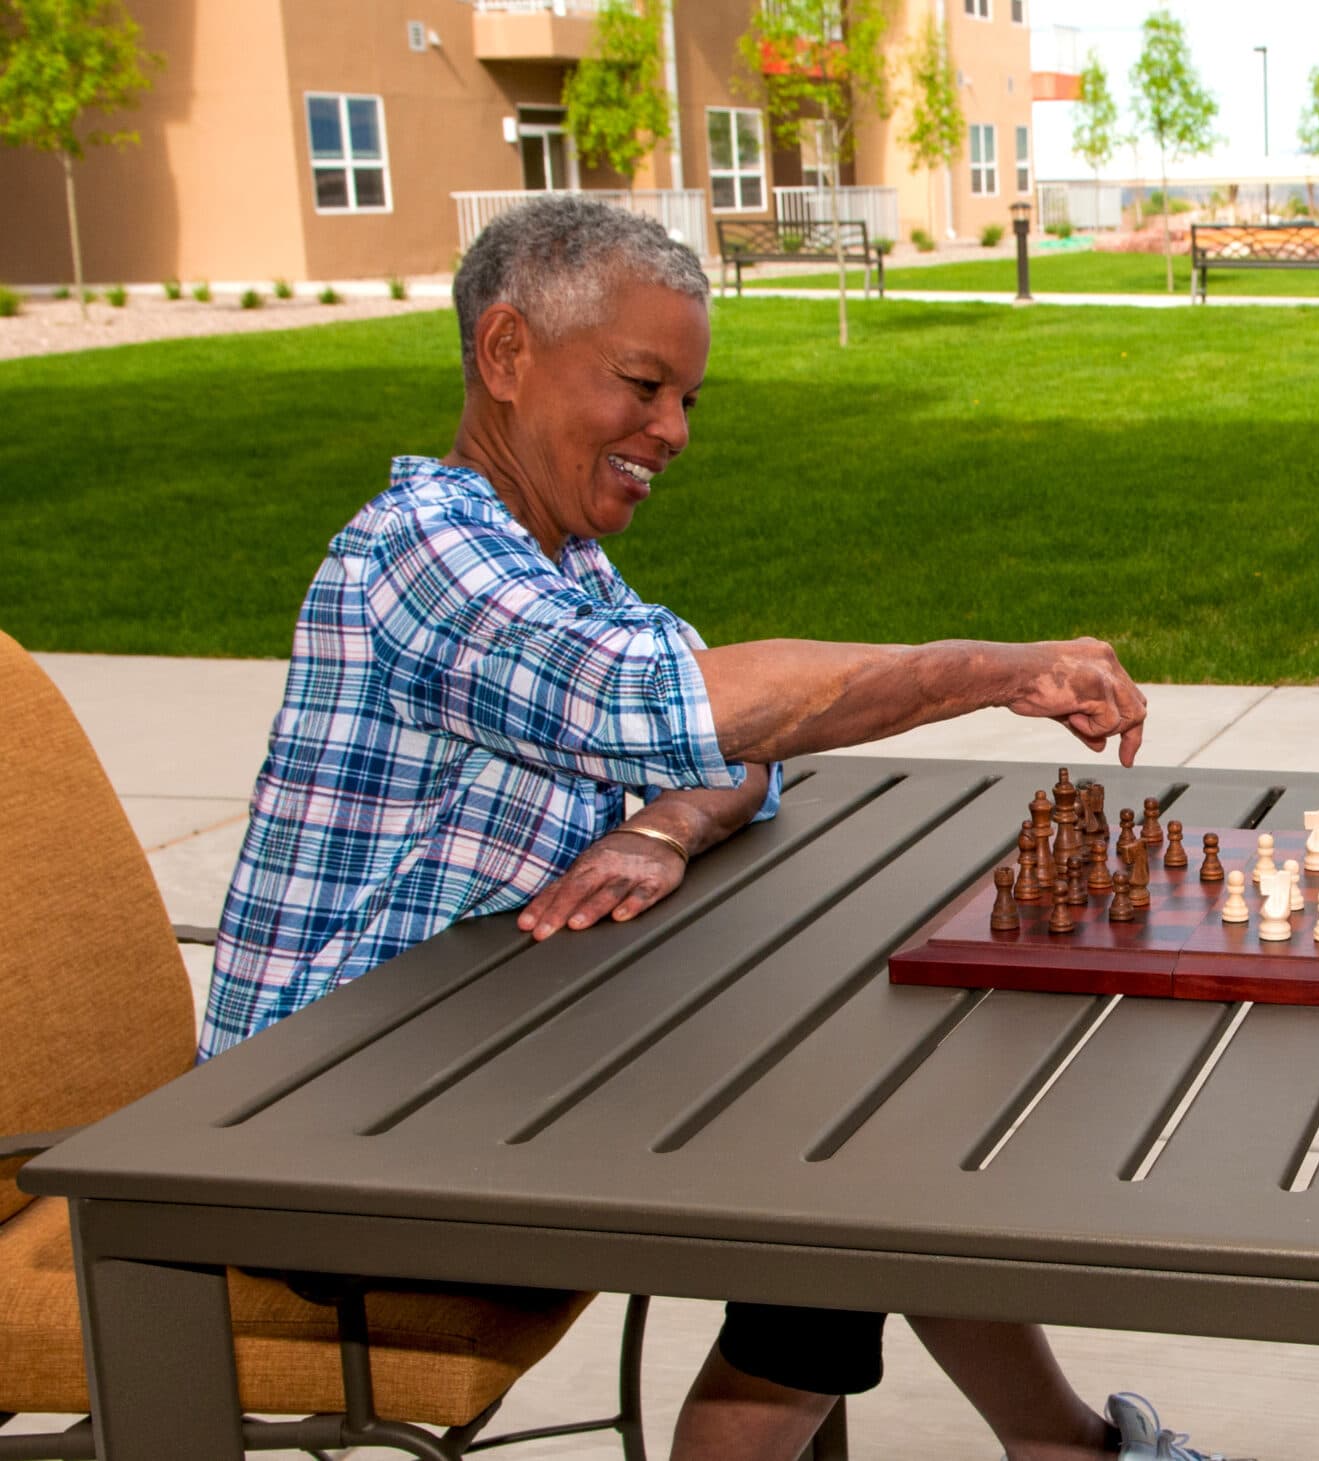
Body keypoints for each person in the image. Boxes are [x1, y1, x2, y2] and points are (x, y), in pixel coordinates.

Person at [203, 196, 1226, 1461]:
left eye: (688, 398)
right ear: (508, 354)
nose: (673, 432)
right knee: (850, 1154)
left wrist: (664, 827)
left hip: (471, 1049)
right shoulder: (423, 553)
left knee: (877, 1104)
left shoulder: (555, 563)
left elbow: (740, 757)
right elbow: (688, 703)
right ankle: (1063, 1448)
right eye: (643, 384)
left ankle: (1061, 1448)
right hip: (308, 1136)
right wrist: (999, 669)